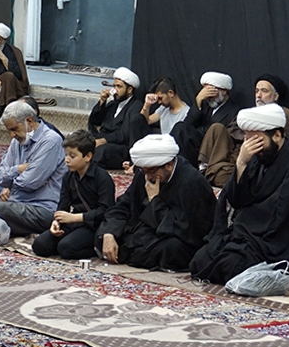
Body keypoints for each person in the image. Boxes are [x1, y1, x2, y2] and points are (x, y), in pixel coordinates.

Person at [189, 104, 289, 284]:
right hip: (247, 236)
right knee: (200, 259)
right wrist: (241, 164)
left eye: (256, 140)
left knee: (231, 265)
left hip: (275, 246)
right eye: (247, 139)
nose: (250, 147)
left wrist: (244, 224)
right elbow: (235, 200)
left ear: (277, 135)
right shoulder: (257, 156)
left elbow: (281, 213)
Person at [97, 134, 217, 272]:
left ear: (169, 165)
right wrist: (109, 233)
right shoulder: (146, 174)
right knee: (104, 234)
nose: (148, 177)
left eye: (152, 171)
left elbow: (187, 229)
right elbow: (125, 203)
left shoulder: (191, 182)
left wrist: (155, 200)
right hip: (148, 229)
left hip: (179, 237)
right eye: (144, 171)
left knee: (173, 249)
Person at [0, 100, 67, 237]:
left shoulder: (51, 140)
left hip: (42, 208)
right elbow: (0, 176)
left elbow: (30, 183)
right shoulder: (17, 141)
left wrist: (10, 182)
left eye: (14, 129)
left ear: (29, 121)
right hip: (17, 200)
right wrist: (19, 169)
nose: (12, 135)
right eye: (9, 131)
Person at [194, 73, 289, 188]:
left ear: (275, 96)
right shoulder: (248, 113)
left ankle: (214, 174)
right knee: (216, 128)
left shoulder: (284, 114)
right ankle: (205, 169)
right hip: (234, 155)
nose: (259, 95)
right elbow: (231, 131)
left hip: (255, 161)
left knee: (222, 177)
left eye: (264, 91)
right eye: (257, 91)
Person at [32, 130, 115, 259]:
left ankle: (95, 248)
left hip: (93, 225)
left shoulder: (102, 178)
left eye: (72, 156)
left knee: (66, 248)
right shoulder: (68, 176)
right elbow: (63, 205)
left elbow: (106, 211)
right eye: (66, 155)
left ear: (88, 156)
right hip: (73, 222)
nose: (67, 160)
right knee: (39, 245)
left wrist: (75, 218)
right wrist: (56, 222)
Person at [87, 67, 147, 169]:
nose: (115, 90)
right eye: (114, 86)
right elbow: (95, 121)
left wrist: (103, 140)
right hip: (100, 138)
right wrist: (102, 102)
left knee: (102, 151)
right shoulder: (113, 103)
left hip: (119, 146)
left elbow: (124, 134)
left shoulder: (136, 106)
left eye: (119, 87)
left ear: (129, 90)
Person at [142, 77, 202, 164]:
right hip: (161, 148)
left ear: (170, 93)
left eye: (160, 98)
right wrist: (147, 105)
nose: (159, 102)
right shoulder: (163, 109)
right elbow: (145, 121)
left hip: (174, 152)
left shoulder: (186, 112)